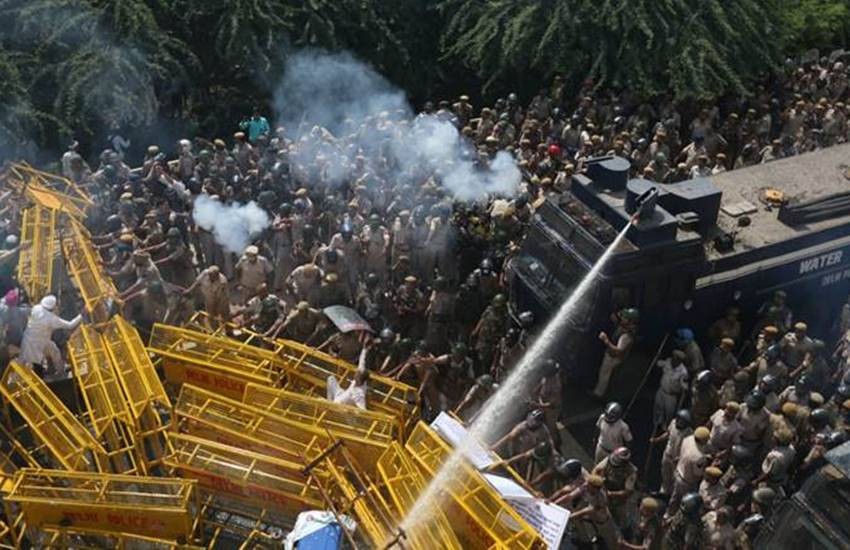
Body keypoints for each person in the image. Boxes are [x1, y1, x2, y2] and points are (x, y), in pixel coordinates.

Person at [18, 295, 83, 374]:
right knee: (33, 364)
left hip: (29, 339)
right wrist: (82, 315)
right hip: (40, 342)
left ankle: (60, 369)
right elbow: (70, 325)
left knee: (53, 351)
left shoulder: (36, 308)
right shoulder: (51, 319)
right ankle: (60, 371)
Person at [593, 308, 638, 397]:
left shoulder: (627, 336)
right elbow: (616, 318)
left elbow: (618, 351)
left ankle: (598, 395)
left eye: (625, 317)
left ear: (630, 321)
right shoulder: (624, 326)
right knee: (603, 374)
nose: (622, 318)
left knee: (605, 376)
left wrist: (606, 340)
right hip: (611, 356)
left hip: (613, 359)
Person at [326, 345, 370, 410]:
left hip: (339, 404)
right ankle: (328, 403)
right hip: (341, 393)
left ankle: (330, 406)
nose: (355, 373)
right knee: (331, 378)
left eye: (357, 374)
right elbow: (362, 363)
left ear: (359, 378)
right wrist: (364, 349)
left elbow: (363, 409)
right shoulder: (360, 380)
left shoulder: (359, 393)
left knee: (338, 401)